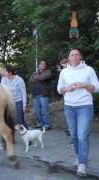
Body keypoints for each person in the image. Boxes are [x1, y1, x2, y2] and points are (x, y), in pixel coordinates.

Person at [57, 49, 99, 177]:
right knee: (74, 135)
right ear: (68, 58)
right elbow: (59, 89)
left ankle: (82, 164)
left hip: (84, 107)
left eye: (77, 54)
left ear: (80, 57)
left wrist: (85, 85)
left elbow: (97, 88)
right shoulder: (64, 72)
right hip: (69, 106)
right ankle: (79, 156)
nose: (74, 56)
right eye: (72, 54)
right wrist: (66, 88)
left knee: (82, 135)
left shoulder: (88, 70)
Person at [28, 60, 52, 130]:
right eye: (41, 64)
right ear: (39, 65)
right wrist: (37, 75)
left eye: (44, 64)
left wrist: (35, 77)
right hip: (35, 94)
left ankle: (47, 125)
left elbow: (43, 78)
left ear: (46, 65)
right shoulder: (36, 72)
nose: (42, 65)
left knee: (44, 111)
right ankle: (39, 124)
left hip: (44, 94)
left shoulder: (48, 72)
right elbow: (30, 80)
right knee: (37, 111)